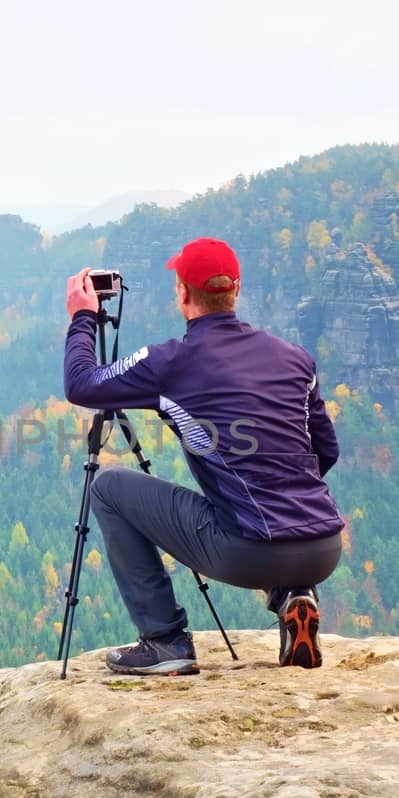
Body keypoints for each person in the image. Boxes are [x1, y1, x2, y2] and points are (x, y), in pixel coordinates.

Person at [63, 237, 345, 674]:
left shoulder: (172, 362)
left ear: (183, 293)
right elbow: (325, 452)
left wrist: (83, 317)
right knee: (265, 495)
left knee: (110, 489)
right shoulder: (295, 359)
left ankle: (164, 641)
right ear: (237, 289)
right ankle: (294, 595)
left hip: (247, 553)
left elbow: (82, 383)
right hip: (324, 548)